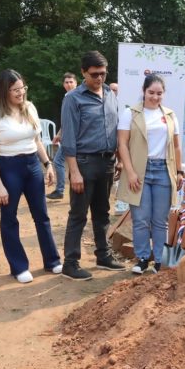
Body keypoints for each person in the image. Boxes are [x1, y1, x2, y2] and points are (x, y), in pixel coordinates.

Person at [0, 69, 62, 283]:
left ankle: (52, 261)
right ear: (4, 91)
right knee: (9, 218)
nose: (20, 93)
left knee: (41, 215)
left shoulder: (29, 108)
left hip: (32, 164)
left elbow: (37, 140)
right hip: (8, 167)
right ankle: (19, 266)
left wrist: (48, 164)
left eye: (23, 88)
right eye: (15, 90)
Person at [60, 51, 125, 280]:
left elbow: (115, 126)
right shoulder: (73, 99)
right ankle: (70, 262)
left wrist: (117, 157)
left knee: (102, 213)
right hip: (84, 163)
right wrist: (74, 171)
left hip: (107, 162)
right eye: (94, 74)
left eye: (103, 74)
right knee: (78, 214)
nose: (99, 79)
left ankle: (103, 255)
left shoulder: (109, 93)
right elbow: (68, 139)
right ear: (83, 73)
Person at [116, 74, 182, 274]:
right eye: (151, 92)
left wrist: (179, 171)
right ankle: (142, 258)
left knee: (160, 220)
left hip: (163, 170)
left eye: (159, 93)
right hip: (138, 171)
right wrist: (130, 172)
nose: (155, 97)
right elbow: (122, 144)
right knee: (141, 218)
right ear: (143, 91)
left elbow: (177, 146)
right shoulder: (131, 113)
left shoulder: (170, 115)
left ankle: (160, 261)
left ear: (164, 94)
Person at [46, 72, 78, 200]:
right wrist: (59, 134)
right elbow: (66, 120)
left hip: (73, 138)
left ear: (76, 83)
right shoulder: (68, 96)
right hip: (68, 137)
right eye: (66, 82)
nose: (69, 84)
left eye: (71, 82)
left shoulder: (75, 97)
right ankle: (65, 190)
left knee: (58, 161)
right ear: (63, 84)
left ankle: (60, 190)